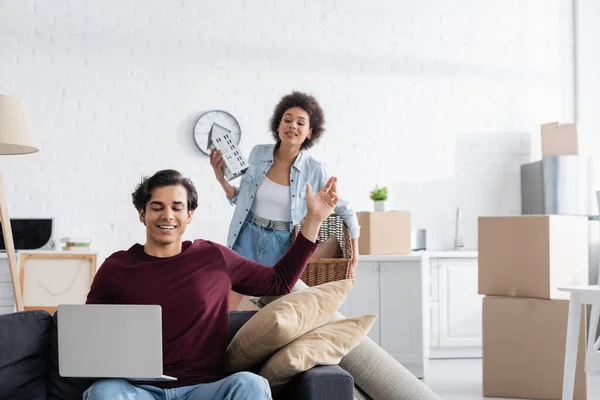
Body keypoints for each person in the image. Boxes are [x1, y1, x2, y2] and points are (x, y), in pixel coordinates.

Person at [82, 169, 340, 400]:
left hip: (204, 390)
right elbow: (88, 332)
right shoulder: (117, 267)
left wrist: (315, 219)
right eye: (157, 207)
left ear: (189, 214)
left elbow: (279, 282)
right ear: (142, 213)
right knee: (104, 392)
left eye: (177, 207)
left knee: (251, 384)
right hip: (138, 391)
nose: (167, 216)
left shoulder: (214, 257)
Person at [210, 91, 360, 279]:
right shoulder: (258, 154)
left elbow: (347, 212)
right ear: (278, 125)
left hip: (282, 242)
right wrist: (221, 179)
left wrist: (354, 259)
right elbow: (240, 198)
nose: (292, 126)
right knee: (235, 298)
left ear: (310, 133)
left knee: (272, 302)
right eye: (287, 120)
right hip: (246, 233)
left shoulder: (315, 170)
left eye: (300, 123)